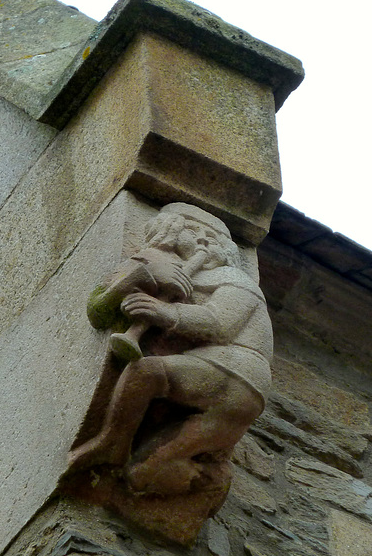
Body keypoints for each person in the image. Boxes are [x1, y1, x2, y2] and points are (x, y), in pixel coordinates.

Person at [68, 202, 273, 496]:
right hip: (222, 386)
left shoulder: (235, 280)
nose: (203, 241)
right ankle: (206, 479)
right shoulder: (157, 264)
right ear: (170, 230)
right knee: (141, 473)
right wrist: (141, 277)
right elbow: (98, 310)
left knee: (146, 371)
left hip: (238, 373)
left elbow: (218, 324)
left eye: (213, 239)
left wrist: (163, 312)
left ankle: (113, 441)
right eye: (193, 231)